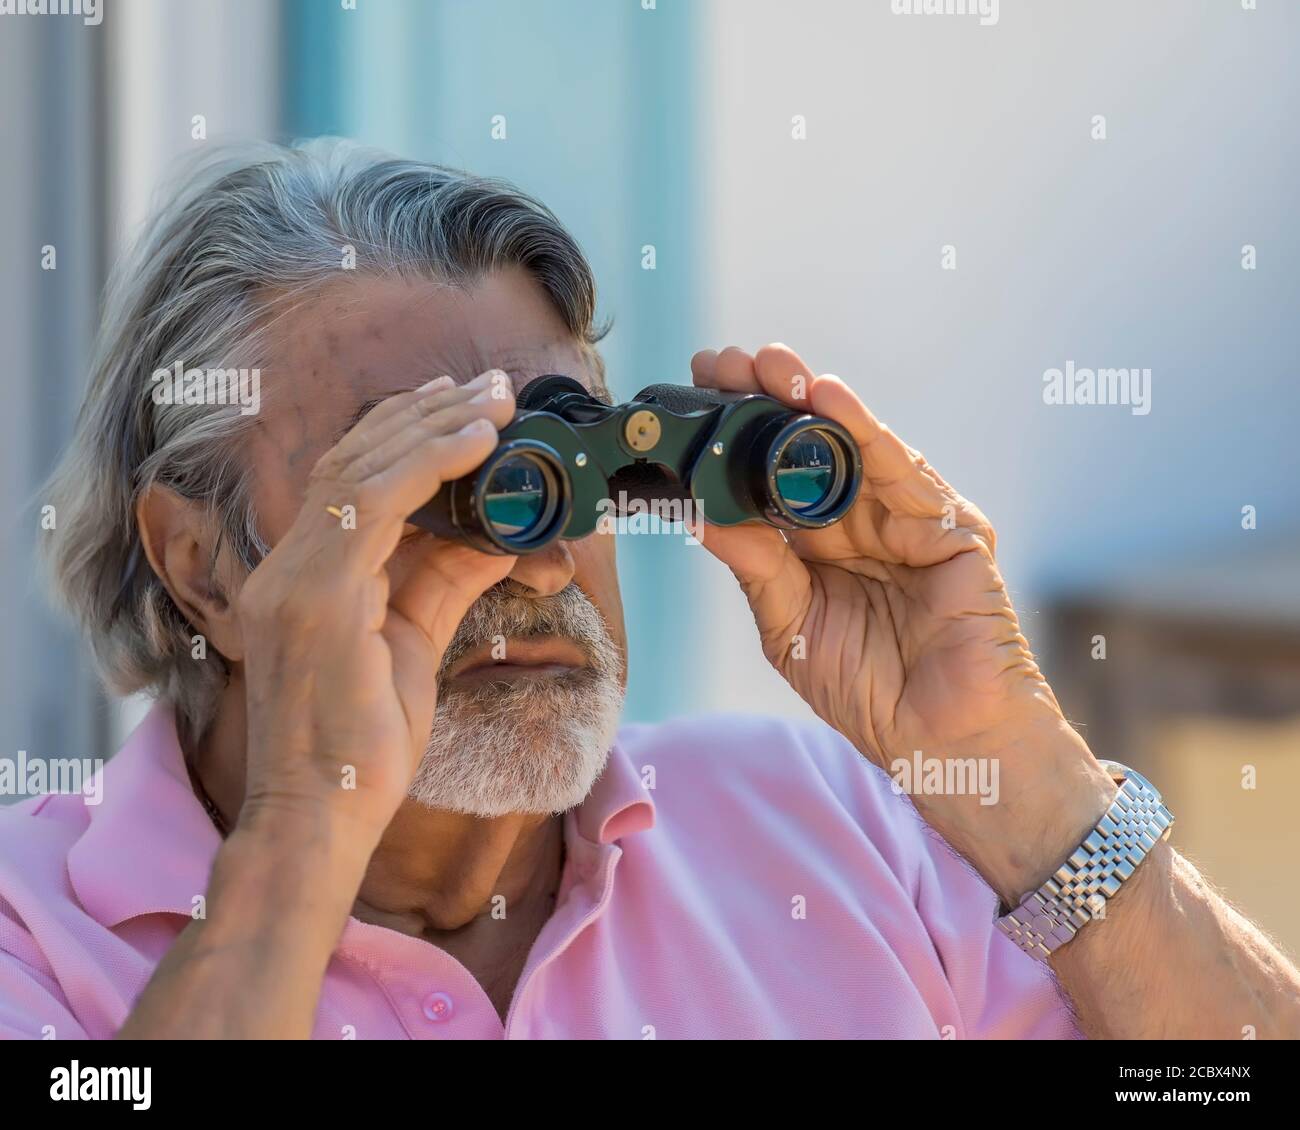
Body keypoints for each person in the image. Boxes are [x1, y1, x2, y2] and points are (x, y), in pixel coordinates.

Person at [3, 140, 1296, 1039]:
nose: (529, 552)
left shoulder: (825, 826)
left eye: (547, 472)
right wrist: (301, 832)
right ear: (203, 565)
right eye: (421, 482)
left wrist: (1022, 773)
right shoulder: (34, 938)